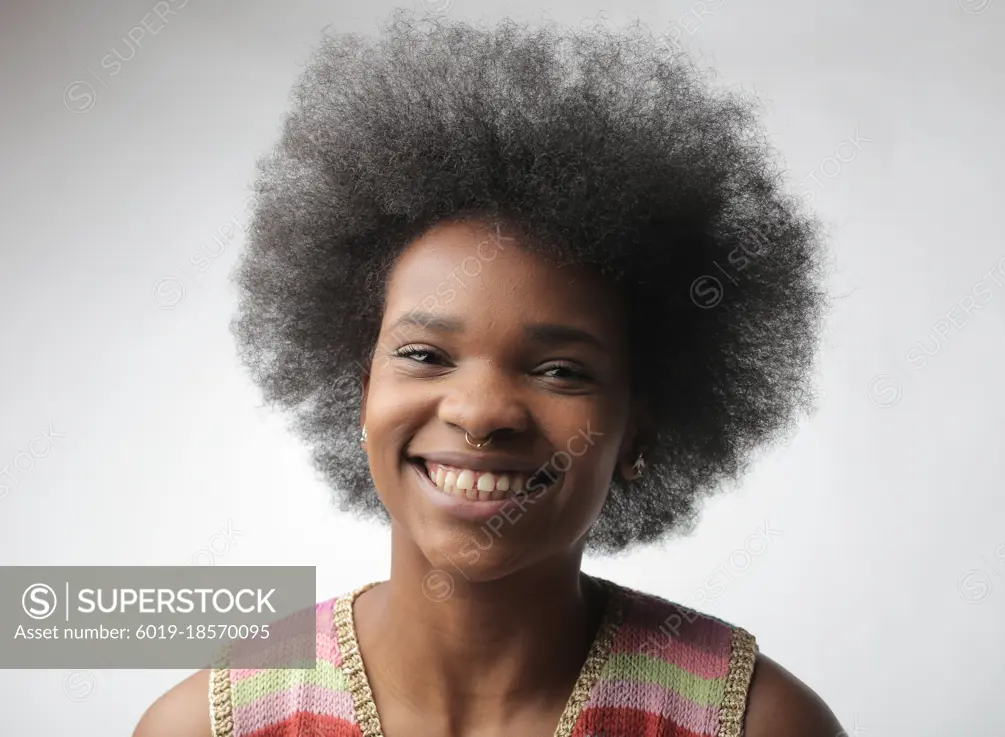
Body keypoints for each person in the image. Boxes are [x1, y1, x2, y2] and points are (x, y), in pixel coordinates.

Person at [134, 9, 840, 736]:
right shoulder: (211, 724)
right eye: (423, 355)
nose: (479, 411)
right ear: (361, 389)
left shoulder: (755, 723)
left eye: (561, 370)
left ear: (637, 430)